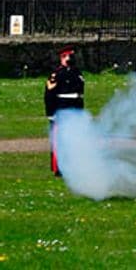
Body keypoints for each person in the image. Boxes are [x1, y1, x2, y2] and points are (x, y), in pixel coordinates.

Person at [44, 47, 85, 177]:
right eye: (68, 56)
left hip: (76, 108)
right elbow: (49, 95)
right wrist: (51, 114)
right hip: (61, 108)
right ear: (62, 57)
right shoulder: (56, 74)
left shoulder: (77, 72)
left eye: (72, 56)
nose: (71, 59)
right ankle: (59, 168)